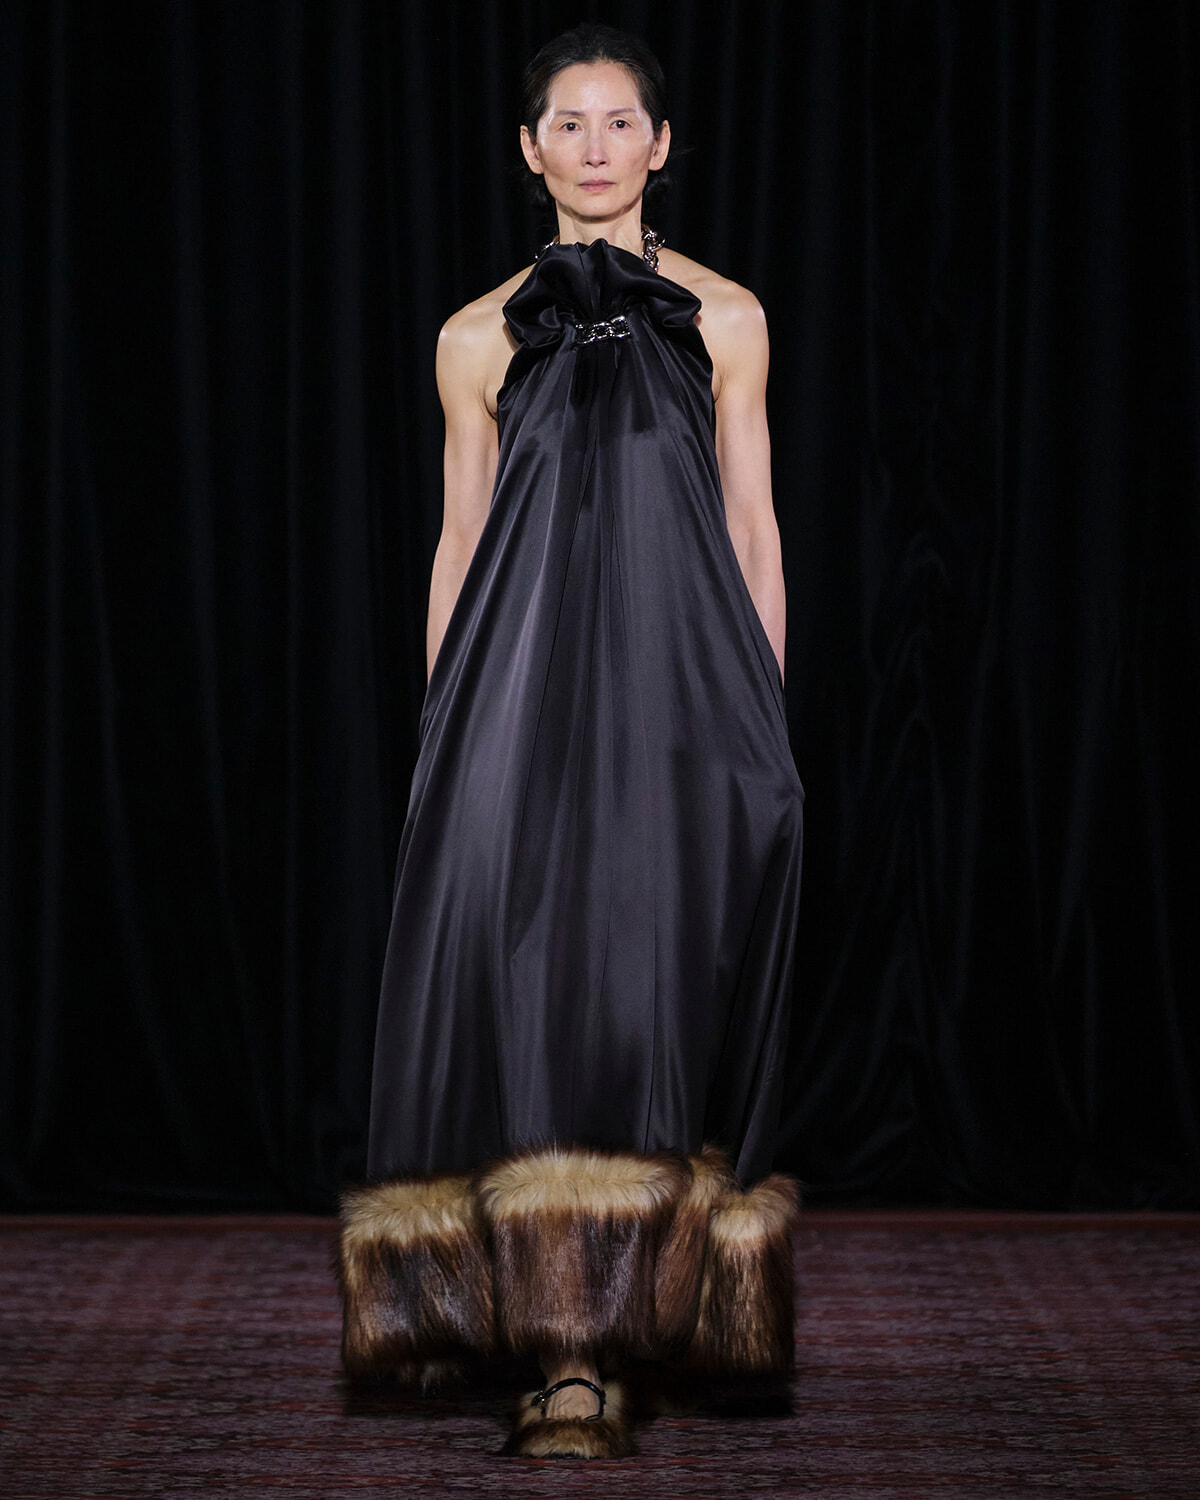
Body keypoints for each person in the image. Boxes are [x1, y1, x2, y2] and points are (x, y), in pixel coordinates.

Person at [337, 24, 804, 1459]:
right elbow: (459, 544)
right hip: (515, 708)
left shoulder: (727, 318)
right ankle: (561, 1353)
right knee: (535, 1001)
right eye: (569, 124)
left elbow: (749, 527)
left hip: (681, 710)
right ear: (529, 149)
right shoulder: (476, 336)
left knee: (655, 998)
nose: (597, 148)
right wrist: (442, 741)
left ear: (661, 147)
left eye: (621, 124)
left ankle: (649, 1313)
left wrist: (763, 719)